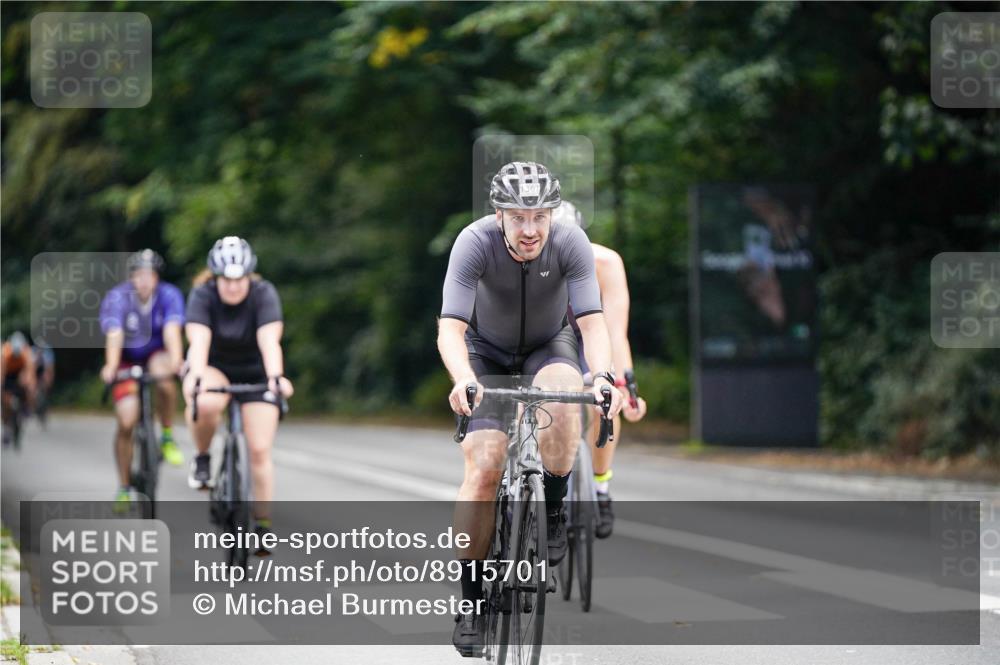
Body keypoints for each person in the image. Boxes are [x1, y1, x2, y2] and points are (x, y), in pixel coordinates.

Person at [438, 162, 623, 655]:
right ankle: (472, 600)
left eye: (539, 216)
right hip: (485, 352)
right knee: (483, 468)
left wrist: (602, 375)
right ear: (499, 215)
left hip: (549, 346)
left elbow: (592, 324)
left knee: (564, 402)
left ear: (551, 215)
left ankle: (555, 505)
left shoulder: (569, 243)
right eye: (518, 217)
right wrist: (464, 380)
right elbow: (451, 327)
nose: (529, 229)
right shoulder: (473, 242)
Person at [182, 236, 293, 555]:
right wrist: (197, 378)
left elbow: (270, 340)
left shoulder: (264, 294)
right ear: (215, 278)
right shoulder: (202, 296)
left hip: (257, 371)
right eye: (226, 281)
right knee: (205, 402)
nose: (233, 287)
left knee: (259, 450)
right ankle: (202, 458)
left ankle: (263, 525)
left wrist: (275, 378)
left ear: (249, 276)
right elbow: (199, 342)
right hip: (216, 367)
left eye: (239, 279)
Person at [553, 201, 648, 539]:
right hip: (552, 337)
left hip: (593, 335)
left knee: (607, 401)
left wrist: (626, 385)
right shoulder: (529, 261)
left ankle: (601, 484)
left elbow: (614, 331)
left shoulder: (605, 263)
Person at [99, 250, 186, 508]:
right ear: (132, 278)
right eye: (139, 275)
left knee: (165, 375)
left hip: (156, 353)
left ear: (157, 277)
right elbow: (114, 333)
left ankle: (167, 435)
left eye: (149, 275)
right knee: (126, 421)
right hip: (127, 358)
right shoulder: (118, 298)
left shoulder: (169, 295)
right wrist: (112, 366)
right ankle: (124, 486)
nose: (144, 280)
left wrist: (177, 361)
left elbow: (172, 331)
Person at [1, 331, 37, 445]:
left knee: (27, 387)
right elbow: (2, 373)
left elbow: (30, 372)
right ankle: (6, 426)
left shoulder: (27, 352)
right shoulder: (5, 352)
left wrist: (30, 386)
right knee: (6, 400)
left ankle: (26, 407)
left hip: (20, 374)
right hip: (8, 374)